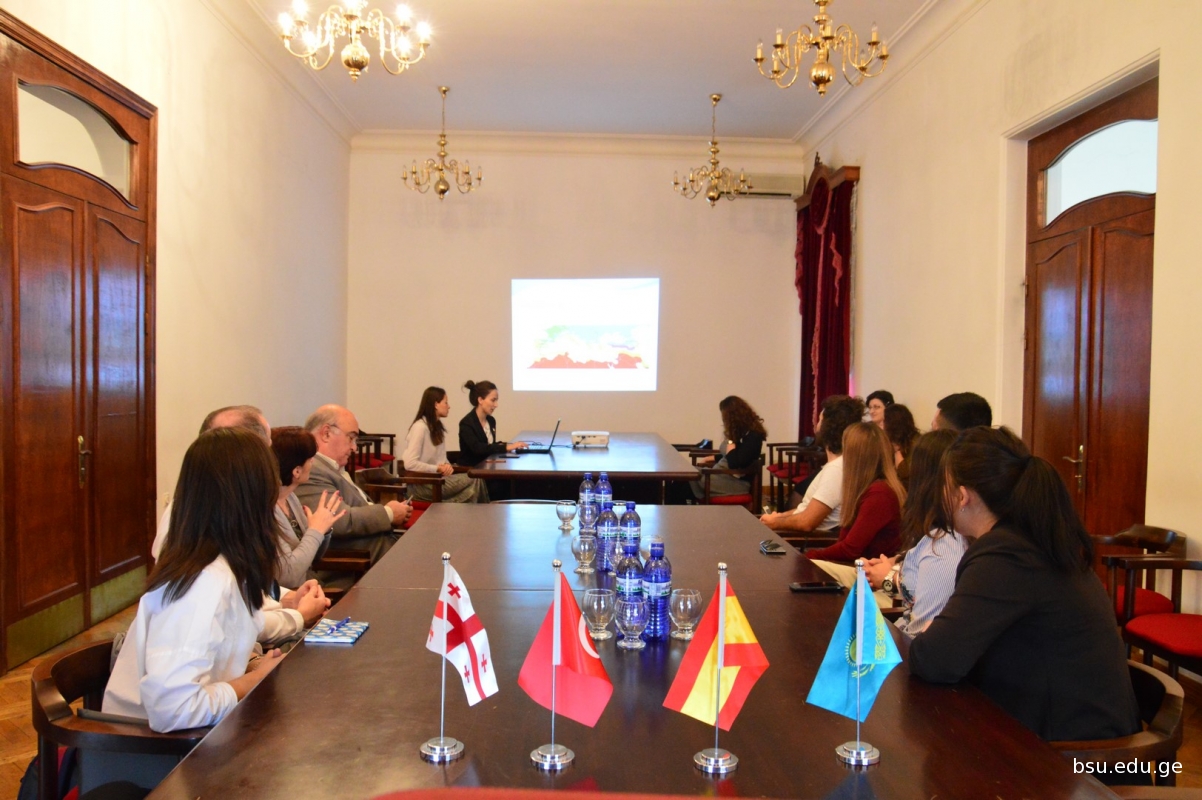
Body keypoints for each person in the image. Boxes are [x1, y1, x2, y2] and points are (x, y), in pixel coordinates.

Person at [908, 427, 1140, 742]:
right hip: (1077, 730)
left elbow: (934, 659)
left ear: (962, 496)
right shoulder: (1035, 539)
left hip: (1074, 757)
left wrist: (934, 633)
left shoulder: (1005, 556)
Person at [104, 429, 288, 740]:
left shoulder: (222, 567)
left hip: (194, 740)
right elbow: (173, 710)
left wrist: (253, 665)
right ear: (251, 498)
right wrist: (253, 681)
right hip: (151, 751)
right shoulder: (204, 582)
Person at [151, 406, 329, 648]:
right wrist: (297, 617)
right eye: (265, 451)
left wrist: (287, 599)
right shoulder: (194, 529)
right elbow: (236, 621)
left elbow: (244, 597)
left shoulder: (231, 510)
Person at [863, 429, 966, 636]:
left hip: (906, 643)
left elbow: (920, 634)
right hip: (902, 626)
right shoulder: (937, 536)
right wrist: (893, 566)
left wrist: (889, 577)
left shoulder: (945, 545)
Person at [296, 404, 410, 565]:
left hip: (379, 549)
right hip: (357, 562)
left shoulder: (332, 467)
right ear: (326, 434)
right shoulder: (312, 470)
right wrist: (389, 513)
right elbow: (339, 521)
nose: (355, 448)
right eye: (351, 438)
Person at [805, 423, 905, 573]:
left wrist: (809, 557)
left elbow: (850, 550)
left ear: (855, 458)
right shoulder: (872, 488)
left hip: (868, 574)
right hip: (858, 567)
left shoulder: (879, 494)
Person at [759, 395, 864, 533]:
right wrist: (780, 516)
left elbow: (806, 522)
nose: (816, 425)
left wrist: (775, 523)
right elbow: (805, 509)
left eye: (820, 420)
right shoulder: (839, 465)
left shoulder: (836, 470)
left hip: (811, 541)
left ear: (828, 428)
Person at [270, 426, 346, 587]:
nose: (313, 462)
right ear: (296, 471)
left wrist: (323, 529)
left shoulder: (290, 498)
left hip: (309, 587)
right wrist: (315, 530)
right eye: (310, 458)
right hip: (291, 596)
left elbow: (313, 557)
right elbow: (288, 575)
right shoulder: (267, 509)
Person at [403, 386, 485, 503]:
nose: (449, 406)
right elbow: (410, 464)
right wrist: (437, 468)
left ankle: (475, 513)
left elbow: (441, 459)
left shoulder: (437, 427)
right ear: (436, 404)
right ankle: (482, 512)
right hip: (422, 484)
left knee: (473, 487)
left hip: (437, 478)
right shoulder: (420, 428)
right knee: (475, 480)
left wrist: (447, 466)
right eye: (446, 402)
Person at [690, 396, 766, 500]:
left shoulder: (753, 436)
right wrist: (712, 458)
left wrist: (731, 441)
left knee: (686, 482)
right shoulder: (742, 432)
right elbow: (731, 455)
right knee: (689, 473)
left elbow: (734, 463)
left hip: (733, 482)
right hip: (721, 475)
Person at [455, 380, 528, 466]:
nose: (496, 405)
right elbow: (477, 448)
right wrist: (505, 447)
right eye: (493, 400)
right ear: (480, 400)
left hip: (488, 466)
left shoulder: (491, 420)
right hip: (472, 469)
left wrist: (509, 445)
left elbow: (489, 446)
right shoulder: (466, 423)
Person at [883, 403, 921, 485]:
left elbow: (908, 476)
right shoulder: (892, 442)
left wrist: (897, 452)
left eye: (884, 422)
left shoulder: (917, 444)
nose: (883, 426)